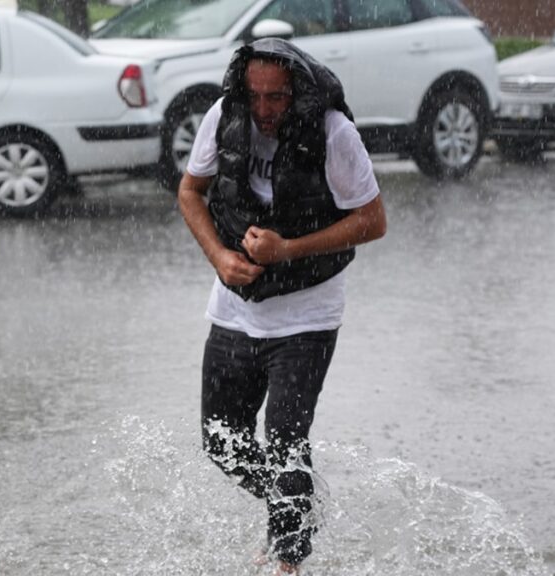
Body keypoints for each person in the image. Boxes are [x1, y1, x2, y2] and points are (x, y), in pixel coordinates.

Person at [177, 38, 386, 575]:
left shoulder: (334, 132)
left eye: (277, 98)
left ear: (299, 91)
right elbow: (189, 192)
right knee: (222, 444)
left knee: (286, 441)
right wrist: (220, 257)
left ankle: (288, 558)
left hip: (307, 315)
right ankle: (296, 509)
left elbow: (373, 220)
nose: (265, 110)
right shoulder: (226, 116)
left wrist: (287, 249)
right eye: (256, 96)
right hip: (234, 308)